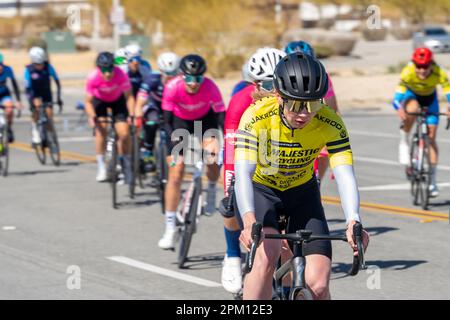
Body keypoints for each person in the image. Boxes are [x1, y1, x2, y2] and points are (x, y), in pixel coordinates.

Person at [234, 53, 369, 300]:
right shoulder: (256, 118)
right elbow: (243, 173)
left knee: (318, 285)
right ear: (279, 97)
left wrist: (353, 221)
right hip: (262, 191)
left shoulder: (331, 122)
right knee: (266, 259)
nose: (305, 114)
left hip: (302, 193)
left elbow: (344, 174)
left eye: (313, 104)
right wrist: (248, 219)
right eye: (296, 105)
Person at [220, 47, 286, 294]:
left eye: (277, 83)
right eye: (267, 84)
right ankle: (232, 256)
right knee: (231, 204)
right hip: (245, 156)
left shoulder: (290, 101)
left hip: (278, 162)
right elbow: (230, 151)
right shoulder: (240, 101)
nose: (273, 90)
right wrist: (231, 188)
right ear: (254, 83)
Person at [158, 54, 225, 249]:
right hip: (179, 124)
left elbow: (221, 118)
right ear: (181, 76)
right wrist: (176, 149)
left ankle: (211, 188)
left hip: (205, 121)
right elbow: (167, 122)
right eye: (188, 78)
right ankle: (170, 228)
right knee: (176, 171)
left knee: (212, 155)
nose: (193, 83)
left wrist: (226, 140)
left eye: (198, 79)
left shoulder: (211, 87)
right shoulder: (172, 87)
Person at [393, 47, 450, 197]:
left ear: (431, 64)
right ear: (414, 64)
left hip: (431, 100)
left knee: (431, 138)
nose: (422, 70)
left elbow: (448, 93)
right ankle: (404, 141)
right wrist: (400, 109)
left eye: (425, 66)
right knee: (413, 108)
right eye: (419, 66)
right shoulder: (408, 72)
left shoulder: (439, 72)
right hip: (412, 97)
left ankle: (432, 180)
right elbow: (396, 99)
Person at [285, 40, 340, 184]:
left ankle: (316, 184)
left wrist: (335, 156)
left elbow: (333, 111)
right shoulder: (278, 78)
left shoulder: (322, 77)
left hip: (311, 123)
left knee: (321, 155)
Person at [85, 52, 135, 183]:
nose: (108, 73)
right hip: (100, 101)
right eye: (104, 70)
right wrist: (92, 116)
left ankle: (127, 164)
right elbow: (88, 102)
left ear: (114, 67)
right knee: (101, 130)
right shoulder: (93, 77)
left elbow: (129, 97)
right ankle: (101, 166)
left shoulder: (121, 75)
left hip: (117, 100)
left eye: (110, 69)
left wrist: (131, 114)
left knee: (124, 133)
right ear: (99, 68)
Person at [135, 52, 181, 173]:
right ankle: (148, 152)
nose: (170, 77)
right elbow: (140, 99)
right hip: (154, 106)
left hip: (171, 109)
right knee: (151, 122)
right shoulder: (152, 78)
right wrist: (138, 115)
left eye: (174, 74)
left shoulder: (181, 82)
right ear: (161, 71)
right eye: (167, 73)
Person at [24, 47, 63, 145]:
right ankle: (35, 131)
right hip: (35, 94)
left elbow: (57, 82)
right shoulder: (28, 70)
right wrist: (30, 103)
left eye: (41, 63)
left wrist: (58, 98)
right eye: (37, 64)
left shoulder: (48, 67)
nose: (40, 66)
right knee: (37, 109)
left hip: (46, 93)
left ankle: (50, 135)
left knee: (49, 114)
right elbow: (27, 89)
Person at [0, 52, 22, 143]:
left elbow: (15, 85)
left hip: (4, 95)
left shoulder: (8, 69)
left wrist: (18, 101)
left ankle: (9, 128)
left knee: (9, 109)